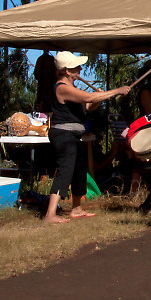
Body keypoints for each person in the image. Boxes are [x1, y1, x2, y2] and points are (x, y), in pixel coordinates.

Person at [44, 51, 131, 223]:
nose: (80, 69)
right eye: (76, 67)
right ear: (67, 71)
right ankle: (50, 214)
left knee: (79, 171)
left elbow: (90, 105)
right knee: (65, 170)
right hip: (64, 135)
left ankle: (76, 208)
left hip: (74, 135)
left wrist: (99, 98)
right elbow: (89, 97)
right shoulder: (62, 87)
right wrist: (116, 91)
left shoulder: (72, 89)